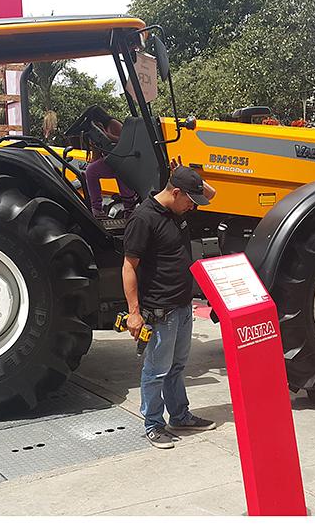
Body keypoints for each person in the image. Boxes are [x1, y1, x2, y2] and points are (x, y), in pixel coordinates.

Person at [121, 165, 217, 449]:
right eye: (189, 200)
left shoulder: (177, 211)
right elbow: (129, 266)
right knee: (156, 371)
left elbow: (211, 196)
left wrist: (192, 174)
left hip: (182, 306)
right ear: (175, 193)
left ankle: (180, 415)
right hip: (160, 311)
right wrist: (134, 313)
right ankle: (153, 424)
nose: (192, 207)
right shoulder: (144, 218)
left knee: (177, 366)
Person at [83, 116, 138, 218]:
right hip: (112, 161)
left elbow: (127, 142)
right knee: (91, 171)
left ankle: (129, 207)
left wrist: (105, 135)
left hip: (126, 159)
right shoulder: (92, 133)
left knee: (120, 170)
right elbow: (96, 157)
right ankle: (97, 209)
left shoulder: (113, 124)